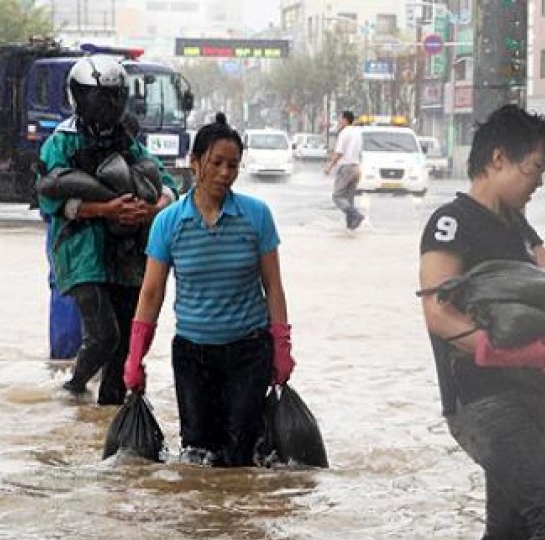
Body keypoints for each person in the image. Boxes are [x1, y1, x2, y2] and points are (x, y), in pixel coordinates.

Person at [417, 104, 545, 540]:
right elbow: (437, 311)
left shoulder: (518, 226)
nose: (538, 182)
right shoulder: (450, 222)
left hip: (529, 395)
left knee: (509, 535)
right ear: (498, 159)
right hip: (482, 402)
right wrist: (510, 350)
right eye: (533, 169)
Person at [122, 112, 296, 468]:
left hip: (249, 351)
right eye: (216, 163)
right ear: (195, 163)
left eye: (233, 165)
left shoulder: (256, 216)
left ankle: (237, 521)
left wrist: (282, 346)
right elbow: (151, 293)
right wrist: (135, 356)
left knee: (238, 456)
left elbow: (273, 287)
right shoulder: (168, 222)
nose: (225, 173)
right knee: (198, 453)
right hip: (193, 356)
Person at [38, 53, 176, 405]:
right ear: (80, 96)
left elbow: (167, 183)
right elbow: (50, 200)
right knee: (104, 336)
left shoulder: (128, 142)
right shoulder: (61, 142)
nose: (108, 105)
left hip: (125, 254)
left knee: (126, 342)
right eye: (100, 97)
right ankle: (73, 388)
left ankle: (111, 419)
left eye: (114, 96)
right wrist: (105, 209)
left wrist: (150, 209)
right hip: (81, 250)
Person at [323, 110, 365, 230]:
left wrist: (329, 166)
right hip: (356, 168)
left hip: (346, 168)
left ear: (346, 120)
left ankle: (355, 215)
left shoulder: (344, 133)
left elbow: (339, 152)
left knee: (337, 196)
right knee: (349, 199)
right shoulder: (358, 132)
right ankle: (350, 227)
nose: (338, 121)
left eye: (340, 119)